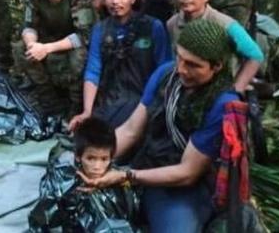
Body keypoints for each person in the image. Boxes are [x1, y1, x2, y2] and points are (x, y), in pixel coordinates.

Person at [79, 19, 242, 233]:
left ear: (217, 66)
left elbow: (187, 172)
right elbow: (131, 130)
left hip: (183, 185)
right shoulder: (166, 73)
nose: (181, 69)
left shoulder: (221, 104)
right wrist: (94, 158)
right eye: (179, 58)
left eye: (192, 64)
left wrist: (127, 176)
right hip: (148, 161)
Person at [69, 0, 172, 130]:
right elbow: (93, 70)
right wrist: (87, 111)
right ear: (104, 0)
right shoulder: (100, 29)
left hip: (143, 100)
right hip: (110, 99)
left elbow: (164, 69)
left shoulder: (152, 26)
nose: (115, 1)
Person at [13, 0, 95, 118]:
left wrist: (46, 48)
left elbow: (84, 36)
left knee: (79, 55)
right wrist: (32, 46)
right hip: (47, 41)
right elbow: (29, 27)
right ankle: (50, 103)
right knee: (20, 48)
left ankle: (75, 108)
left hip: (71, 44)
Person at [29, 117, 139, 232]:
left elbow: (131, 212)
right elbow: (44, 217)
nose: (97, 166)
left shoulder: (118, 179)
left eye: (104, 159)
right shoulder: (63, 181)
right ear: (78, 156)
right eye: (90, 158)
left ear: (111, 158)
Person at [168, 0, 264, 92]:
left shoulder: (224, 24)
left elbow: (255, 55)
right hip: (188, 85)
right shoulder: (172, 23)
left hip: (219, 87)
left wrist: (237, 89)